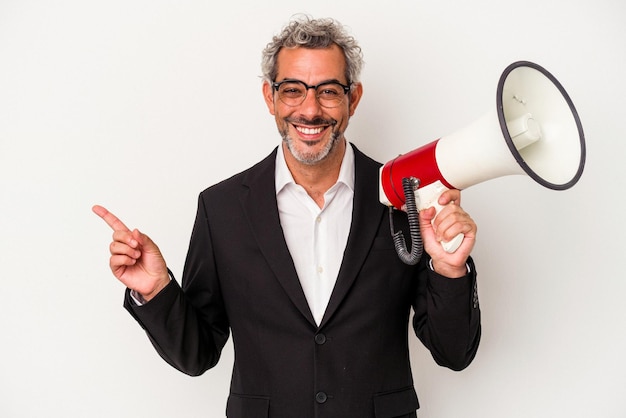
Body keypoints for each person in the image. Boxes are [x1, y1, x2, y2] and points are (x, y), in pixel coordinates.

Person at [93, 15, 480, 418]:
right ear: (269, 97)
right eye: (293, 90)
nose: (310, 110)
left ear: (354, 98)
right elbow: (197, 354)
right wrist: (157, 290)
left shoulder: (405, 200)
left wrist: (449, 270)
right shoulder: (221, 208)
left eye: (329, 91)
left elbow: (453, 353)